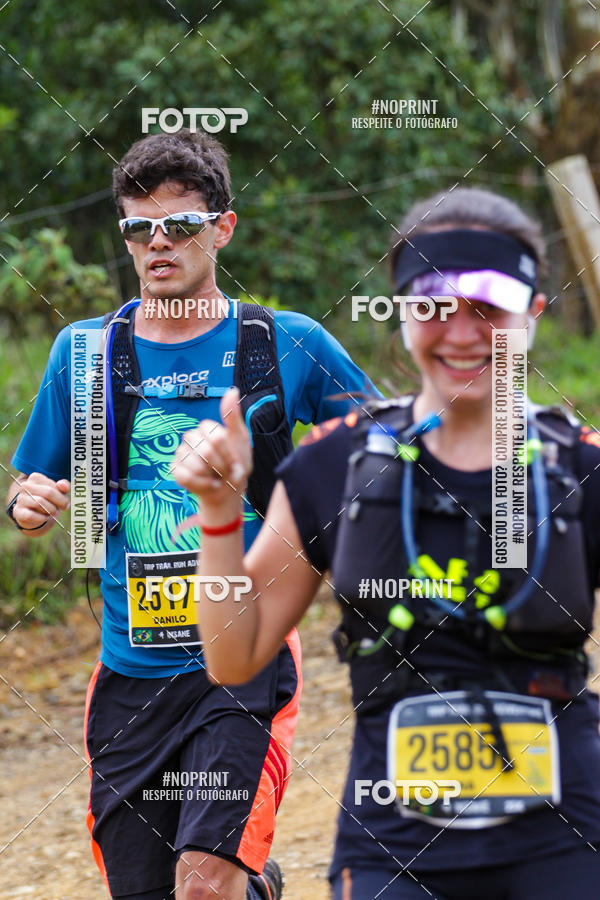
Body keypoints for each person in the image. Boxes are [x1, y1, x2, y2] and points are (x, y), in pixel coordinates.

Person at [172, 185, 600, 899]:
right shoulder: (333, 464)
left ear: (534, 313)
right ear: (402, 314)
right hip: (395, 844)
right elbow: (233, 653)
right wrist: (218, 512)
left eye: (488, 305)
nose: (461, 331)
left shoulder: (581, 466)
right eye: (432, 305)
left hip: (566, 832)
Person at [6, 129, 378, 900]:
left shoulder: (284, 344)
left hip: (241, 665)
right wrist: (27, 503)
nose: (157, 243)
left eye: (179, 224)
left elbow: (382, 446)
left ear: (223, 227)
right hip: (128, 675)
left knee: (203, 886)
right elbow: (32, 481)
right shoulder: (82, 354)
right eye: (139, 228)